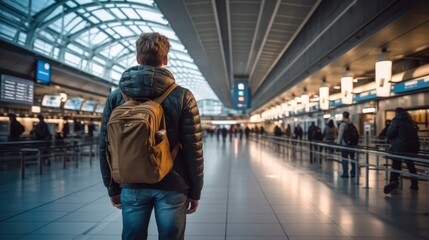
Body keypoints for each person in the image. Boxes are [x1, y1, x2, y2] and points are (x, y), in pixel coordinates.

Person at [99, 32, 204, 240]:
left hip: (131, 182)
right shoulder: (183, 96)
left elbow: (105, 146)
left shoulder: (116, 96)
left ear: (138, 58)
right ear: (165, 59)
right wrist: (195, 191)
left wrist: (112, 187)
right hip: (173, 183)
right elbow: (194, 149)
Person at [383, 108, 420, 194]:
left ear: (396, 113)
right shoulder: (411, 121)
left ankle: (393, 181)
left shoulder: (396, 121)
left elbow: (389, 134)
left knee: (396, 165)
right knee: (411, 165)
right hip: (413, 147)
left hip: (399, 148)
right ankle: (414, 184)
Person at [337, 111, 357, 178]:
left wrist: (338, 144)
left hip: (344, 145)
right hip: (352, 145)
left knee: (345, 159)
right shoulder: (352, 123)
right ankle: (353, 173)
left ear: (343, 116)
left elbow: (340, 135)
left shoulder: (343, 124)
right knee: (353, 159)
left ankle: (345, 173)